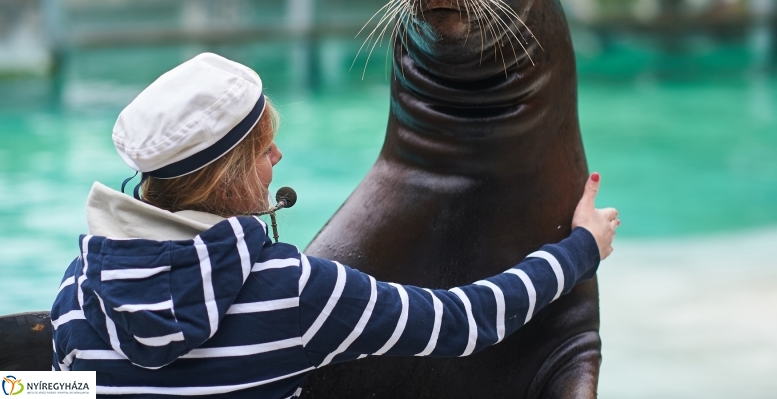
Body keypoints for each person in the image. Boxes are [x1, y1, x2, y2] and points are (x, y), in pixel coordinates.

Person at [51, 53, 620, 398]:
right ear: (228, 177)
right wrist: (581, 248)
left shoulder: (78, 289)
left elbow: (55, 393)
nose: (277, 157)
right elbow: (463, 322)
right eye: (262, 147)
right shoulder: (292, 293)